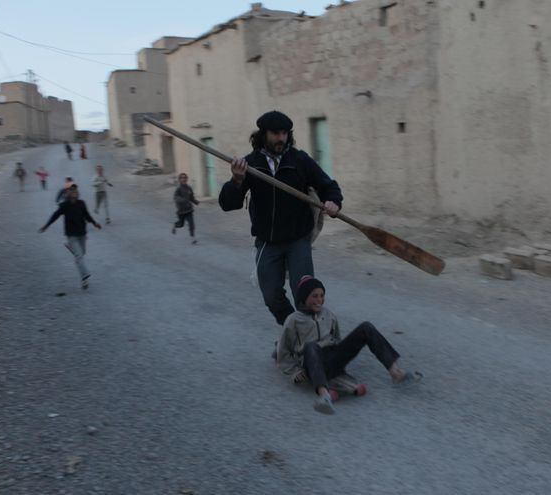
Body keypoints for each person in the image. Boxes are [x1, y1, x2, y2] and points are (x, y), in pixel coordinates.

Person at [220, 110, 343, 327]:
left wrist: (333, 202)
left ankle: (308, 341)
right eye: (275, 133)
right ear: (263, 134)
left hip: (298, 239)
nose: (281, 138)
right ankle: (295, 333)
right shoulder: (250, 164)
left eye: (285, 133)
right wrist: (237, 180)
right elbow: (227, 203)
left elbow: (328, 186)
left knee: (304, 295)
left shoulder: (299, 160)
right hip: (267, 241)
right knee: (271, 296)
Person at [276, 276, 422, 415]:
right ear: (303, 297)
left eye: (322, 295)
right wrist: (294, 371)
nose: (319, 300)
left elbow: (337, 338)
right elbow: (282, 352)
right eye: (314, 296)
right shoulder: (293, 320)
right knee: (311, 346)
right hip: (311, 360)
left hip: (332, 357)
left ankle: (396, 372)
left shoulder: (329, 315)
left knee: (366, 327)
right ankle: (324, 395)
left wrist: (340, 354)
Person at [39, 184, 101, 289]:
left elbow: (87, 215)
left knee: (82, 253)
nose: (75, 192)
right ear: (69, 193)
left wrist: (95, 223)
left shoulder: (81, 203)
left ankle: (71, 248)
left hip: (82, 233)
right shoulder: (65, 205)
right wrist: (47, 225)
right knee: (79, 256)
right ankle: (84, 277)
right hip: (71, 235)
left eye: (76, 191)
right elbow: (55, 215)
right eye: (72, 191)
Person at [172, 173, 199, 243]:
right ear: (179, 180)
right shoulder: (178, 189)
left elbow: (191, 197)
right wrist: (183, 200)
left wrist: (195, 201)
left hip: (189, 210)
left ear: (187, 179)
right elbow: (175, 198)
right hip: (181, 211)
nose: (183, 179)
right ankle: (175, 225)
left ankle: (193, 238)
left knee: (191, 224)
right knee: (181, 224)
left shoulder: (189, 188)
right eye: (182, 178)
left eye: (185, 178)